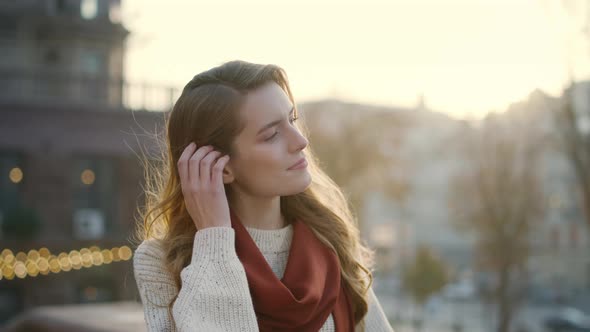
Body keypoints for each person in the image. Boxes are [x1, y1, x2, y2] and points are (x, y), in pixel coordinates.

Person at [132, 60, 395, 332]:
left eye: (292, 120)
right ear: (220, 166)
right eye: (271, 135)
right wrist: (214, 240)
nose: (300, 141)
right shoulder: (162, 262)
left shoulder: (330, 240)